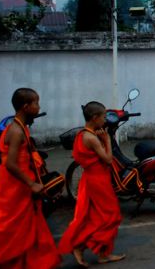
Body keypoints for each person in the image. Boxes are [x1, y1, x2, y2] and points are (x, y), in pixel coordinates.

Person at [0, 88, 61, 269]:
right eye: (36, 103)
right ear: (25, 106)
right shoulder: (16, 131)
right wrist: (31, 183)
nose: (39, 107)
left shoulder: (20, 127)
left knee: (26, 229)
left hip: (20, 185)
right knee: (4, 231)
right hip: (13, 187)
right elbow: (11, 164)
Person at [58, 101, 125, 266]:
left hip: (90, 179)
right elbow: (108, 159)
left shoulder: (82, 134)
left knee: (96, 216)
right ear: (95, 118)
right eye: (103, 117)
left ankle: (103, 253)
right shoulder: (91, 138)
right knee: (112, 215)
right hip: (98, 181)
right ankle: (81, 246)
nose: (105, 120)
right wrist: (107, 139)